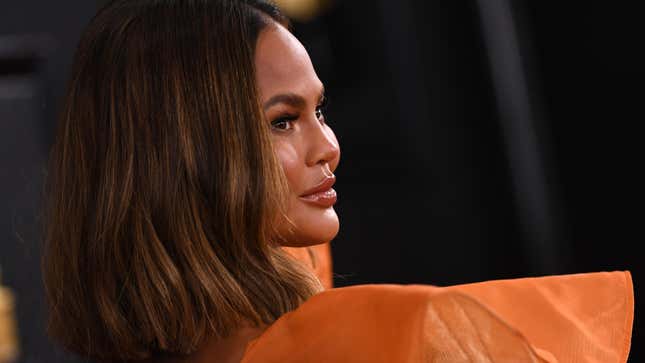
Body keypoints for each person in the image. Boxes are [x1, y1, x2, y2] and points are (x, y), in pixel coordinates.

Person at [42, 1, 634, 362]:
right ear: (179, 153)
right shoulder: (386, 340)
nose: (328, 147)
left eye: (319, 112)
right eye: (283, 121)